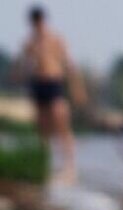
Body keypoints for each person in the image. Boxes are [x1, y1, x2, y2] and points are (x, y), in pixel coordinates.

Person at [16, 5, 86, 184]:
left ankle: (70, 168)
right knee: (43, 129)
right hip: (38, 85)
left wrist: (77, 88)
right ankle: (45, 167)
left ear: (43, 21)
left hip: (54, 83)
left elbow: (69, 64)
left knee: (61, 122)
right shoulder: (29, 43)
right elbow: (22, 66)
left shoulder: (55, 39)